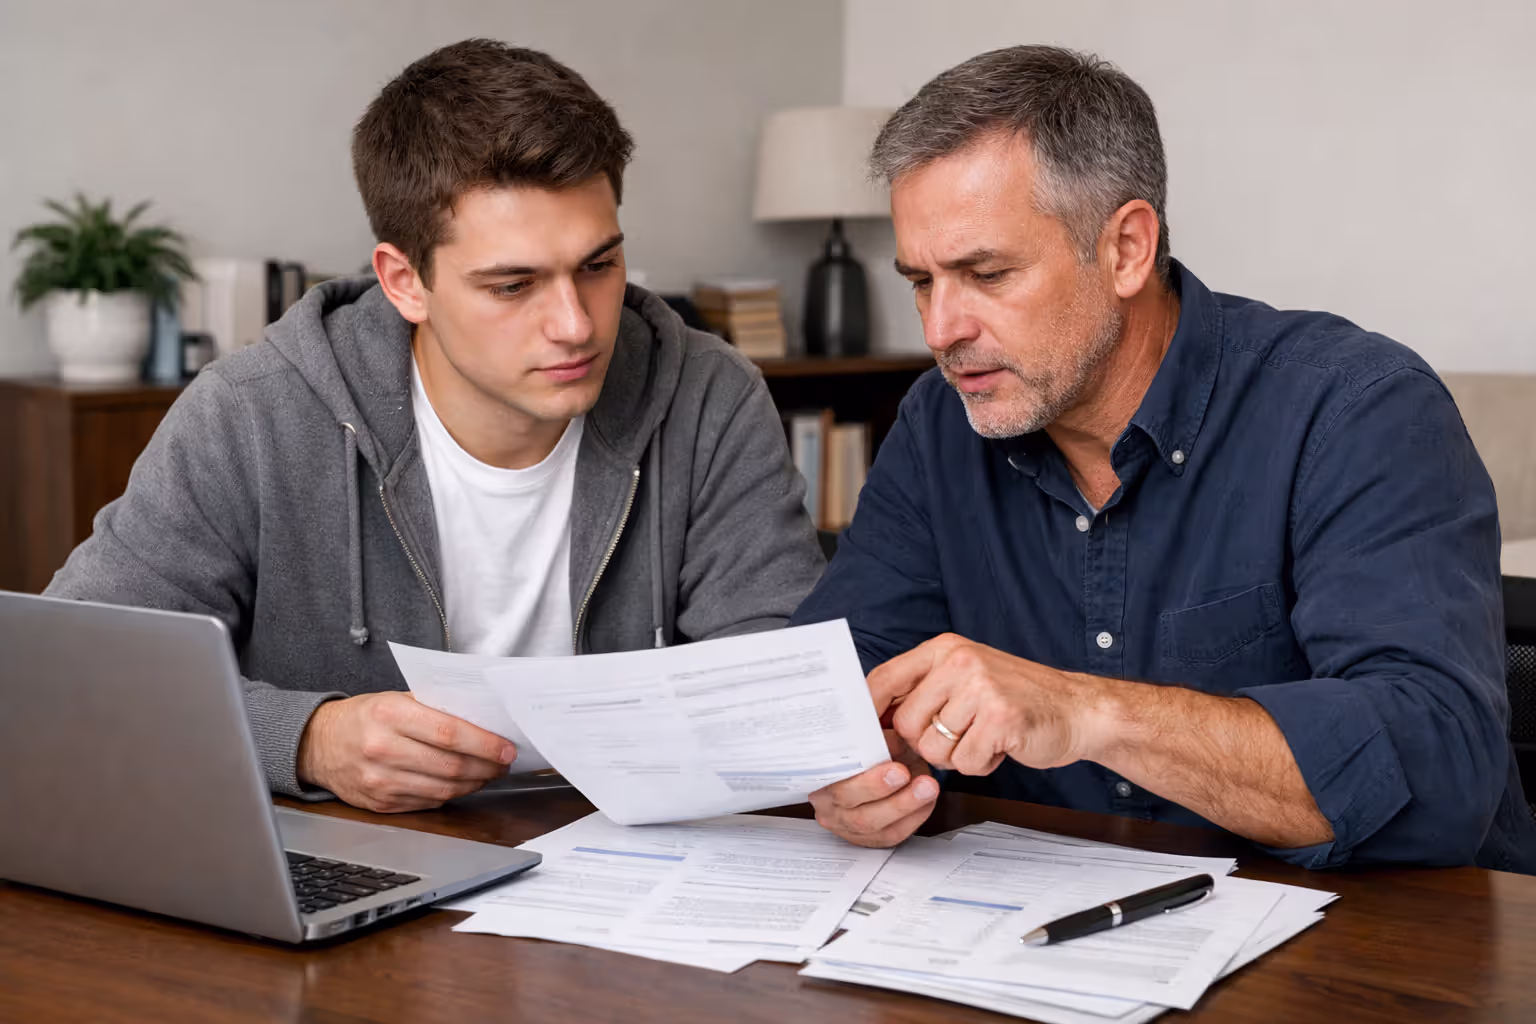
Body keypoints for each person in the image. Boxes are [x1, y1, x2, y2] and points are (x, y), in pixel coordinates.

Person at [793, 44, 1536, 873]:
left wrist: (1088, 713)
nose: (940, 330)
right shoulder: (941, 423)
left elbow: (1436, 771)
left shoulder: (1358, 408)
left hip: (1391, 933)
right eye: (922, 282)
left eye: (987, 273)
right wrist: (854, 772)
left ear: (1126, 249)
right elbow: (831, 681)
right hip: (1046, 920)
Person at [47, 39, 823, 814]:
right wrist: (307, 739)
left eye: (598, 266)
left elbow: (775, 674)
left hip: (633, 854)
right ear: (404, 282)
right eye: (512, 285)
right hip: (363, 859)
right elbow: (75, 668)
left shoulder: (709, 396)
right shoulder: (252, 413)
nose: (576, 325)